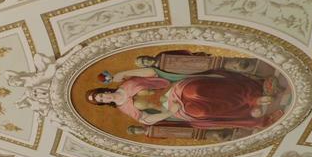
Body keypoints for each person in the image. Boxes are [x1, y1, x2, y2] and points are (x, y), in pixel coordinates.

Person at [86, 67, 271, 128]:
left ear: (104, 91)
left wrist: (125, 73)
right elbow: (146, 119)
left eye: (100, 95)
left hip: (174, 89)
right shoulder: (124, 108)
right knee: (198, 112)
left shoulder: (127, 84)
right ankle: (246, 110)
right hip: (173, 108)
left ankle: (251, 97)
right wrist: (169, 112)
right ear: (103, 104)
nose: (103, 98)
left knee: (195, 91)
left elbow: (151, 72)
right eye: (100, 101)